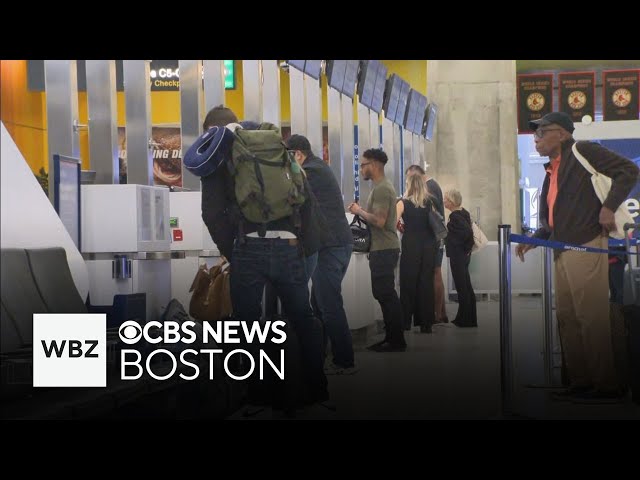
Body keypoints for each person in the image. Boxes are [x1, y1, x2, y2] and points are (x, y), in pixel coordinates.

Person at [200, 105, 328, 408]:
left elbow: (212, 213)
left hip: (249, 245)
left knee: (247, 324)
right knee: (302, 318)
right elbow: (304, 194)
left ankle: (257, 395)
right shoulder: (275, 145)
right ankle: (316, 389)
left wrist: (234, 252)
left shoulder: (219, 153)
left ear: (213, 131)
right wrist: (301, 243)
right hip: (288, 245)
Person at [515, 111, 638, 404]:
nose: (537, 139)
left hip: (586, 245)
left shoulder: (582, 150)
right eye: (535, 135)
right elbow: (552, 221)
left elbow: (628, 171)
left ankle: (607, 384)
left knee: (591, 318)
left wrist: (608, 207)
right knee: (568, 319)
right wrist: (535, 240)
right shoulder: (551, 171)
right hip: (562, 250)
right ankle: (581, 381)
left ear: (563, 134)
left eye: (542, 133)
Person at [286, 134, 357, 375]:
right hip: (332, 244)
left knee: (328, 305)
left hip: (330, 246)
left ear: (297, 154)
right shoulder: (318, 167)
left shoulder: (311, 171)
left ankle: (344, 361)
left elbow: (292, 200)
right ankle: (320, 358)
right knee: (318, 304)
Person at [348, 148, 406, 352]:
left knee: (386, 294)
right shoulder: (381, 187)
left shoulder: (382, 189)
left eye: (363, 165)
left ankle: (396, 340)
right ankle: (392, 337)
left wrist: (358, 211)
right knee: (383, 293)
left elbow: (380, 221)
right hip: (382, 248)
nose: (361, 169)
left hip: (384, 248)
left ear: (373, 165)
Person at [406, 164, 448, 324]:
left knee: (435, 274)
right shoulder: (433, 186)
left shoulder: (429, 188)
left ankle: (436, 314)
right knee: (435, 274)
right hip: (436, 238)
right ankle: (441, 312)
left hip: (432, 239)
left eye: (410, 178)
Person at [396, 172, 438, 333]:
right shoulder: (429, 202)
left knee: (408, 283)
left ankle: (406, 321)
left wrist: (401, 225)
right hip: (428, 245)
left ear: (408, 185)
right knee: (426, 283)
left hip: (411, 244)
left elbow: (393, 222)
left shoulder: (402, 203)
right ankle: (426, 323)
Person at [443, 189, 477, 327]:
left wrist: (455, 242)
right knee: (466, 286)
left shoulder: (455, 216)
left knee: (462, 287)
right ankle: (467, 317)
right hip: (464, 254)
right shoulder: (464, 212)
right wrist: (468, 248)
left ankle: (466, 320)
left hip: (458, 255)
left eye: (445, 199)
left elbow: (467, 232)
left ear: (451, 201)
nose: (444, 201)